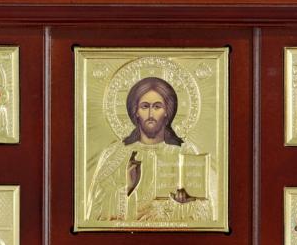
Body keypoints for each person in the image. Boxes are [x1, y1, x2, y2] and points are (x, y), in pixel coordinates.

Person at [86, 76, 213, 223]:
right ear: (136, 111)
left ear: (167, 111)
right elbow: (95, 213)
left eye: (157, 106)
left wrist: (185, 204)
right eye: (145, 106)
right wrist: (127, 188)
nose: (151, 114)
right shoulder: (115, 153)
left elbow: (206, 214)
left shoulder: (186, 152)